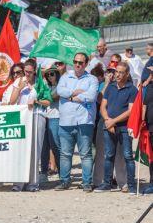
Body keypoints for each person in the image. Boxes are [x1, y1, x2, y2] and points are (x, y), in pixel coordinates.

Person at [55, 53, 98, 192]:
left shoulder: (92, 79)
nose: (77, 64)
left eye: (80, 62)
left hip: (84, 121)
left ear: (86, 64)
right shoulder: (65, 77)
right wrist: (76, 92)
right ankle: (64, 181)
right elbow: (60, 91)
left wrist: (72, 97)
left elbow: (91, 96)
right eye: (75, 62)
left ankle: (87, 182)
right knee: (65, 154)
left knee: (85, 154)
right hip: (66, 121)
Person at [95, 62, 137, 194]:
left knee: (128, 156)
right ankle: (107, 184)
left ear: (127, 74)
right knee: (109, 155)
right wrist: (108, 120)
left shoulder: (132, 89)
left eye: (121, 72)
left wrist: (113, 122)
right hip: (109, 125)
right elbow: (103, 106)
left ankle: (130, 185)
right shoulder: (111, 87)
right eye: (116, 72)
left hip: (124, 127)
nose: (117, 74)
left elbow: (130, 111)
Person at [9, 59, 50, 192]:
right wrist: (20, 88)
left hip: (37, 115)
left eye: (30, 72)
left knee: (35, 150)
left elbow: (48, 101)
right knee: (20, 149)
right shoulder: (19, 81)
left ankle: (33, 183)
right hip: (22, 117)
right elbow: (11, 101)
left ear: (35, 71)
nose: (27, 74)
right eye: (25, 71)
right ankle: (18, 182)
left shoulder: (41, 82)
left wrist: (37, 100)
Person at [92, 63, 127, 189]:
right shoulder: (103, 84)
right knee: (102, 152)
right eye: (109, 71)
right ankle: (99, 181)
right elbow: (99, 100)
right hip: (104, 120)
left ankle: (122, 181)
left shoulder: (127, 85)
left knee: (120, 153)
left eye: (115, 71)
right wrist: (106, 83)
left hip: (121, 122)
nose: (113, 74)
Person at [41, 65, 61, 181]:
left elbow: (51, 99)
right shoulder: (46, 86)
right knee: (44, 146)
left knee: (55, 145)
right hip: (45, 117)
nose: (49, 76)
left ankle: (61, 171)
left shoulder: (60, 86)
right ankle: (43, 172)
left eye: (52, 74)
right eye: (47, 74)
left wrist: (40, 99)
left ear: (57, 74)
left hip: (55, 117)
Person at [142, 67, 153, 194]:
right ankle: (152, 182)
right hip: (150, 127)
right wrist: (142, 121)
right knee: (152, 157)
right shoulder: (149, 87)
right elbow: (144, 105)